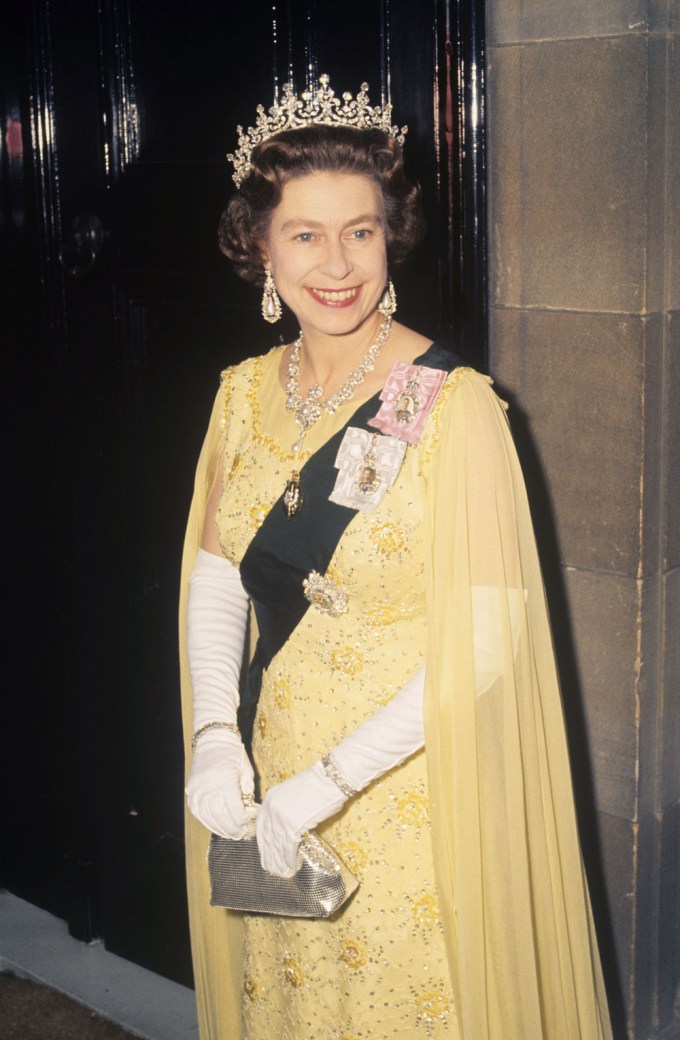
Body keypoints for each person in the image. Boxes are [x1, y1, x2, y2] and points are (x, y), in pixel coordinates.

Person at [178, 76, 612, 1040]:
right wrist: (216, 731)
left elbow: (488, 643)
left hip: (408, 784)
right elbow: (217, 574)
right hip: (274, 760)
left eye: (361, 232)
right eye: (304, 234)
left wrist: (328, 783)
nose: (337, 265)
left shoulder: (449, 407)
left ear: (391, 238)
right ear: (260, 245)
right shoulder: (242, 396)